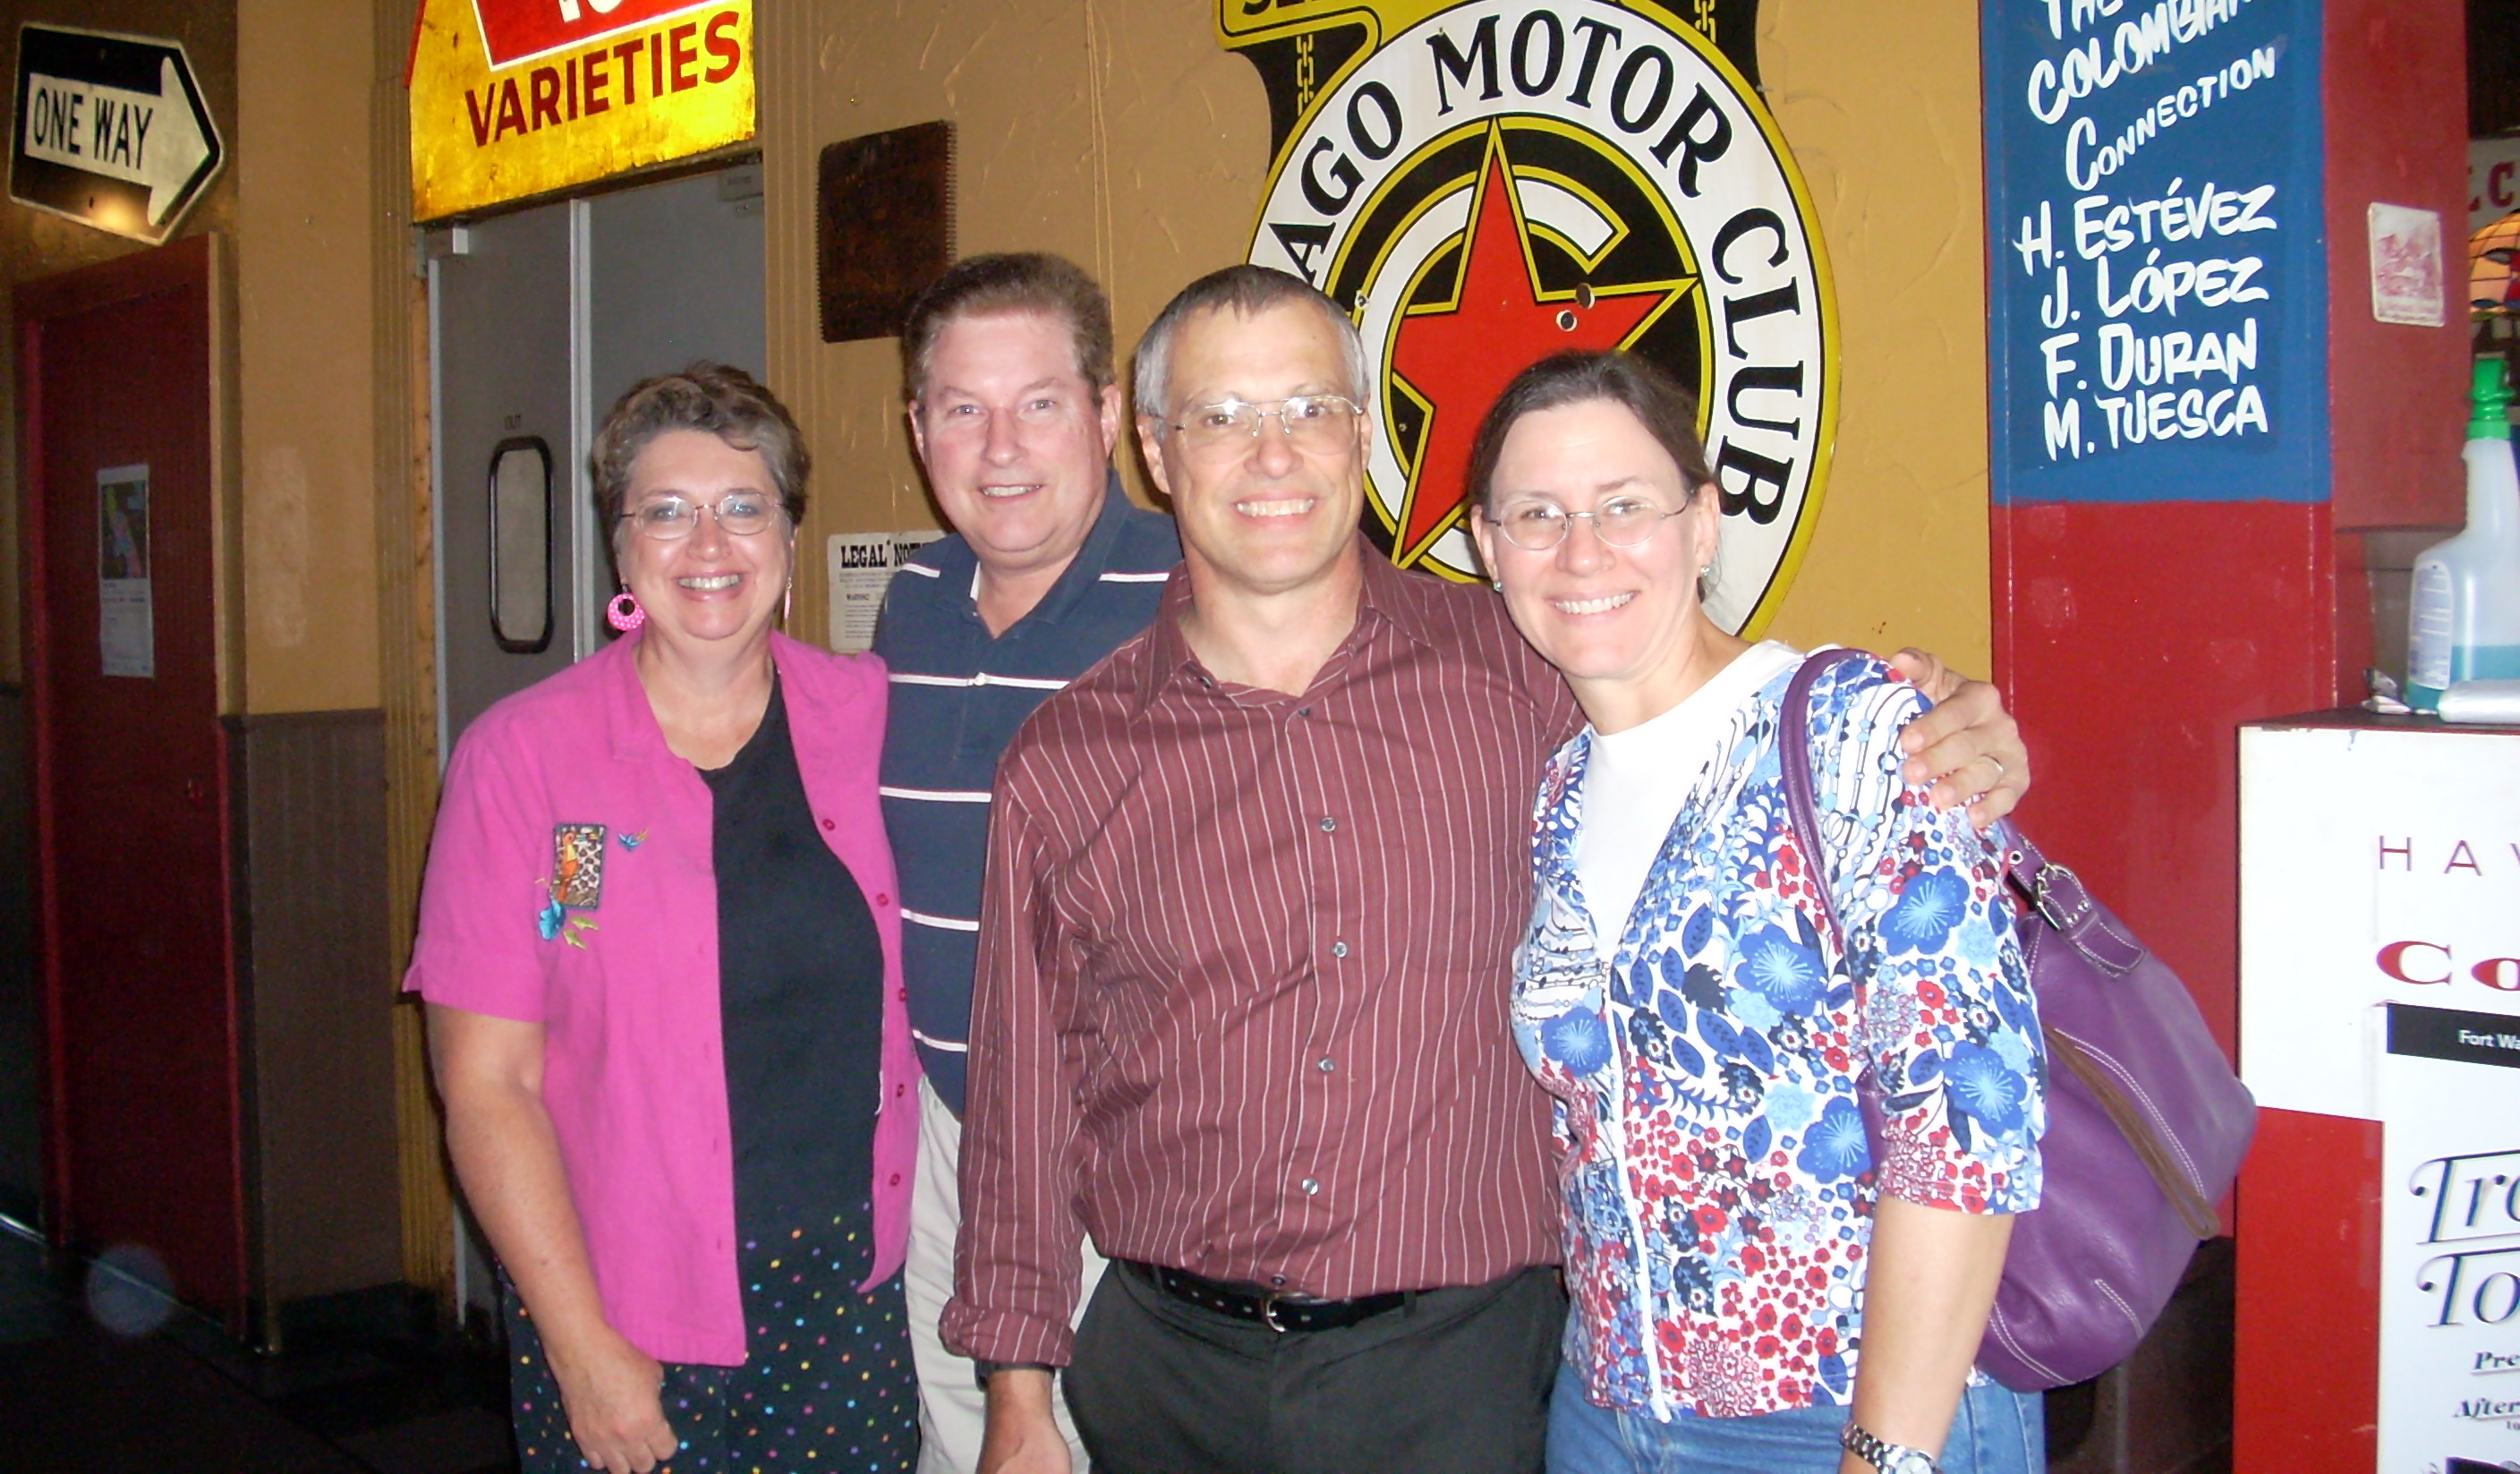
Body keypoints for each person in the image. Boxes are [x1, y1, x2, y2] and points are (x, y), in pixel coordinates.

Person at [943, 266, 2036, 1474]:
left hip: (1477, 1381)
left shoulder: (1527, 677)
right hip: (1181, 1379)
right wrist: (1015, 1391)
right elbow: (1023, 1102)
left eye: (1308, 408)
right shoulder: (1068, 760)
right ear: (1156, 448)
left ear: (1362, 434)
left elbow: (1718, 704)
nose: (1273, 454)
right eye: (1223, 416)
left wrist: (1936, 725)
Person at [1466, 351, 2046, 1474]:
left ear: (1700, 524)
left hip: (1841, 1410)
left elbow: (1967, 1121)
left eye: (1623, 506)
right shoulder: (1558, 793)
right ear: (1490, 549)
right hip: (1607, 1406)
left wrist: (1882, 1454)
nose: (1580, 551)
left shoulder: (1846, 731)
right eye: (1536, 514)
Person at [407, 364, 921, 1474]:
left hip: (846, 1297)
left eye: (744, 507)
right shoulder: (524, 758)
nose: (710, 545)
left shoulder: (868, 714)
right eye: (667, 512)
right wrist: (579, 1347)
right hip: (615, 1302)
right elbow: (488, 1087)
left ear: (789, 537)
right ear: (620, 546)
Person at [873, 255, 1179, 1474]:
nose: (999, 448)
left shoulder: (1193, 590)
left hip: (1133, 1151)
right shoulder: (914, 600)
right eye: (963, 408)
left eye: (1039, 403)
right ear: (918, 429)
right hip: (949, 1139)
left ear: (1104, 413)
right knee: (968, 1450)